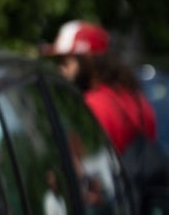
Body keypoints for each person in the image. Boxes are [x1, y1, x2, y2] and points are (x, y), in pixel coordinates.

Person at [42, 20, 157, 156]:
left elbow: (83, 164)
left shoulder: (92, 105)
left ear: (87, 59)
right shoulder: (139, 100)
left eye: (65, 60)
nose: (60, 68)